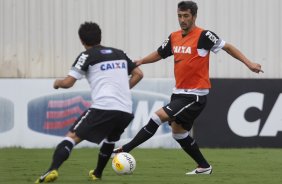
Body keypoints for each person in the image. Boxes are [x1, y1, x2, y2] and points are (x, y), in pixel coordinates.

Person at [113, 1, 263, 175]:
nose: (182, 20)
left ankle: (125, 149)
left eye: (186, 16)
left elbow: (228, 47)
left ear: (194, 16)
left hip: (194, 96)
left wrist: (249, 63)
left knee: (157, 116)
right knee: (178, 134)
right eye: (179, 16)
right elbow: (160, 53)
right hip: (178, 94)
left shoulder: (204, 36)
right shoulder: (174, 36)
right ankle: (204, 167)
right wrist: (141, 61)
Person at [34, 22, 143, 183]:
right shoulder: (119, 53)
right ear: (100, 36)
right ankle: (97, 173)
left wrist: (57, 83)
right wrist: (123, 90)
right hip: (125, 110)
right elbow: (138, 74)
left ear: (81, 40)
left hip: (104, 107)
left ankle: (52, 170)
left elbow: (68, 83)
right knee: (111, 139)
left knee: (70, 138)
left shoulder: (87, 55)